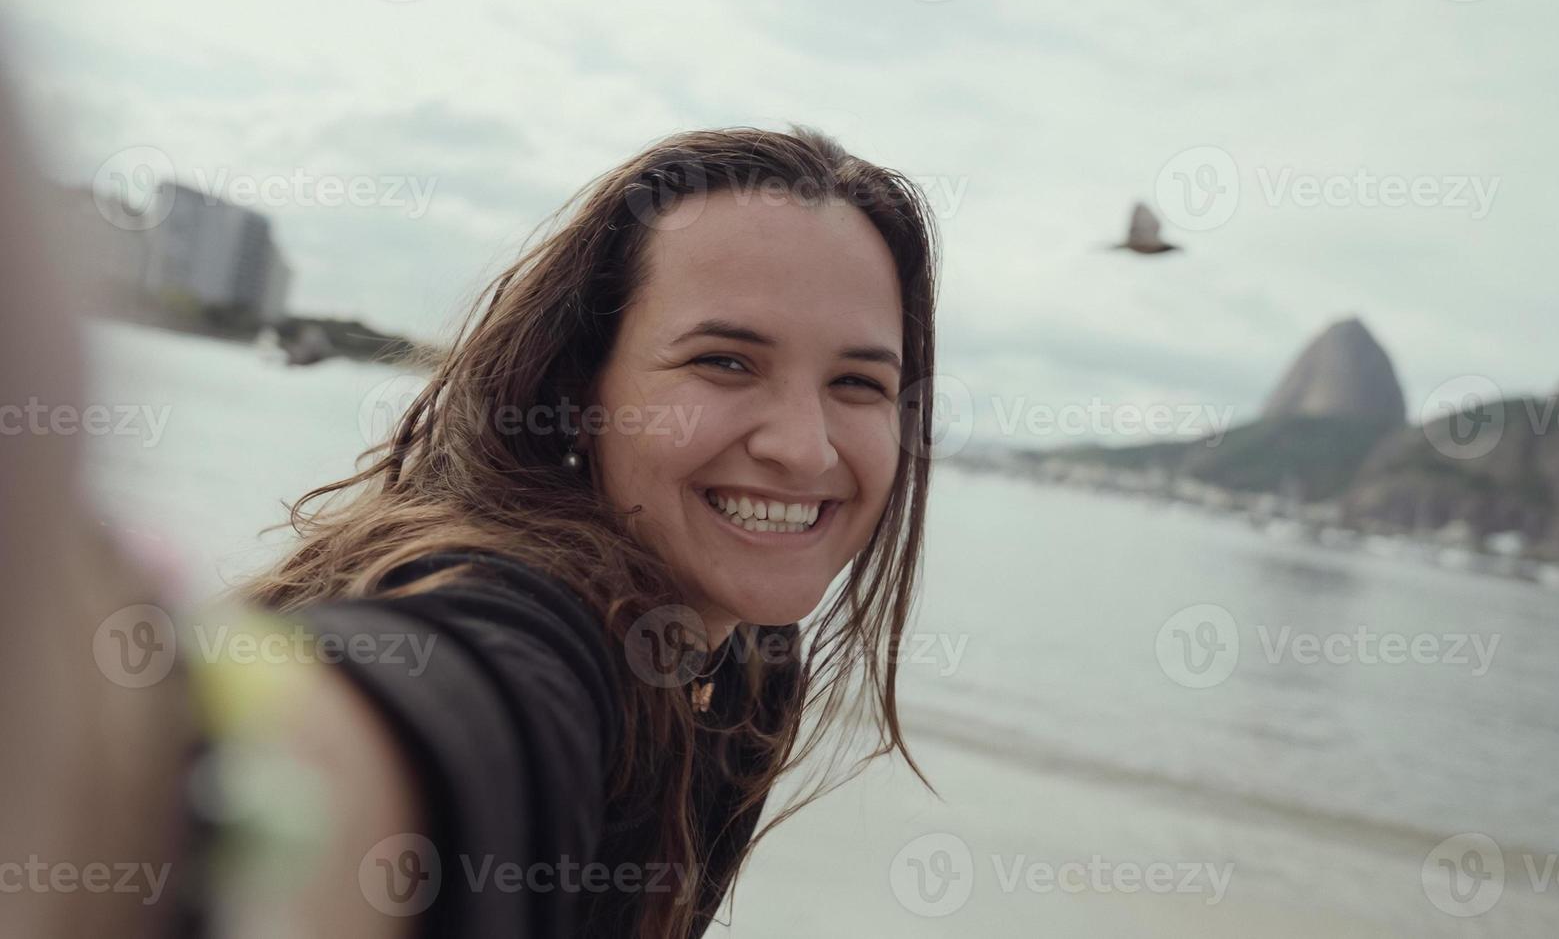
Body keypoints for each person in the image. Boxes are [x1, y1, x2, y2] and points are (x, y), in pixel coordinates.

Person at [3, 120, 941, 939]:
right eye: (725, 361)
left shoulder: (745, 667)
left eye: (858, 382)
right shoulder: (546, 637)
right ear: (579, 390)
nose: (803, 447)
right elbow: (432, 710)